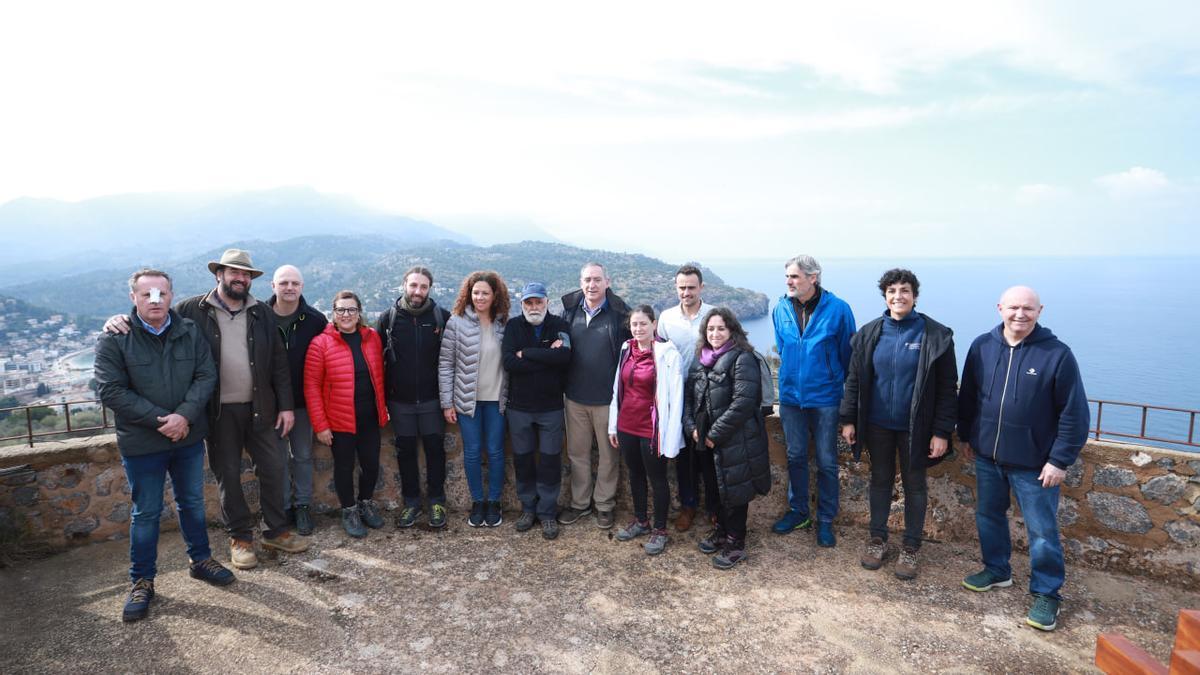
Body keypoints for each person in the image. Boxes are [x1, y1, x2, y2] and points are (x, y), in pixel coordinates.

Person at [104, 249, 309, 570]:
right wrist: (118, 319)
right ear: (219, 275)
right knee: (228, 475)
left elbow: (279, 364)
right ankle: (240, 538)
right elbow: (155, 317)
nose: (240, 278)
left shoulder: (262, 312)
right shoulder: (192, 310)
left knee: (274, 468)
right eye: (233, 273)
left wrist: (286, 406)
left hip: (262, 408)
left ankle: (276, 530)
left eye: (246, 275)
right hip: (216, 412)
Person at [95, 268, 232, 622]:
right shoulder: (114, 338)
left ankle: (200, 560)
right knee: (146, 512)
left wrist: (183, 417)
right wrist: (164, 420)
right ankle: (142, 581)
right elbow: (110, 391)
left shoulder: (189, 331)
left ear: (171, 296)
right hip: (143, 443)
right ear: (133, 298)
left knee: (192, 502)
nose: (154, 300)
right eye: (147, 294)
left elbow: (206, 375)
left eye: (161, 293)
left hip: (186, 436)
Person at [958, 286, 1089, 632]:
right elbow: (969, 396)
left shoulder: (1057, 355)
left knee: (1042, 531)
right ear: (1000, 307)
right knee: (988, 516)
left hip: (1034, 464)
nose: (1020, 314)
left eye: (1028, 308)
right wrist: (967, 436)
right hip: (988, 456)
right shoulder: (982, 346)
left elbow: (1074, 413)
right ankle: (997, 570)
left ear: (1040, 311)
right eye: (1014, 307)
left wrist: (1060, 460)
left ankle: (1047, 593)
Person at [839, 269, 957, 580]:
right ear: (885, 296)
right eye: (892, 290)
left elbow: (948, 388)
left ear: (915, 296)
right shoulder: (868, 334)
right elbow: (854, 380)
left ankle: (911, 546)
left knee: (915, 486)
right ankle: (877, 539)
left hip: (916, 428)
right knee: (880, 482)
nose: (898, 296)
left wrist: (942, 431)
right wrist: (848, 418)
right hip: (877, 425)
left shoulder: (936, 335)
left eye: (905, 290)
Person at [771, 254, 855, 547]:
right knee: (795, 456)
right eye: (787, 277)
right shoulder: (780, 308)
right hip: (792, 397)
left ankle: (826, 520)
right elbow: (783, 348)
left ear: (813, 277)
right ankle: (798, 511)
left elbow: (849, 358)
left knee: (827, 461)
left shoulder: (839, 310)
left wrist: (844, 400)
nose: (789, 282)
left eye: (794, 276)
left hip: (826, 398)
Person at [683, 307, 772, 569]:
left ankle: (736, 542)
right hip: (704, 439)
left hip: (734, 439)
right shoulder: (701, 358)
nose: (715, 333)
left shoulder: (742, 358)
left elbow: (743, 403)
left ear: (732, 330)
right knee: (714, 489)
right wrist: (692, 428)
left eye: (721, 328)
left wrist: (715, 434)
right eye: (710, 329)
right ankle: (721, 531)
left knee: (734, 491)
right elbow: (689, 398)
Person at [304, 291, 389, 538]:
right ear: (333, 313)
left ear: (359, 312)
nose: (346, 315)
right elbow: (311, 386)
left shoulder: (372, 338)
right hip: (339, 420)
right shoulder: (320, 344)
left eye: (351, 310)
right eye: (341, 310)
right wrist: (320, 425)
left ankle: (365, 502)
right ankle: (349, 510)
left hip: (370, 417)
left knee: (371, 464)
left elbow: (380, 375)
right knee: (343, 467)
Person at [376, 266, 452, 529]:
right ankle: (411, 503)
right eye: (413, 285)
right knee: (405, 453)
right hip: (400, 402)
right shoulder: (389, 319)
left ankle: (437, 501)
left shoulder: (442, 317)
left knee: (435, 452)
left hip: (432, 400)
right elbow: (378, 363)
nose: (418, 291)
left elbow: (451, 360)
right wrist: (382, 402)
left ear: (430, 288)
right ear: (404, 285)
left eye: (423, 286)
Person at [559, 262, 632, 529]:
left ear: (607, 282)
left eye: (597, 280)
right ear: (581, 282)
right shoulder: (569, 312)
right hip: (575, 397)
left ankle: (604, 505)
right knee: (577, 454)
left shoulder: (619, 315)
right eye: (588, 280)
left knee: (608, 456)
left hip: (607, 400)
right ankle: (579, 504)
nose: (592, 285)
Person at [607, 305, 684, 555]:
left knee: (657, 478)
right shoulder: (625, 349)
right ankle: (641, 521)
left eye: (643, 324)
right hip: (627, 424)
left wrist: (671, 436)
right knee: (635, 474)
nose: (638, 329)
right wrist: (613, 425)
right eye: (634, 324)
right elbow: (617, 390)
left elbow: (676, 397)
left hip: (652, 428)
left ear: (654, 324)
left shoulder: (667, 353)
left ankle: (660, 530)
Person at [502, 282, 572, 540]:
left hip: (550, 407)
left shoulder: (559, 325)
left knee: (551, 461)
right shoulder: (513, 327)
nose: (534, 307)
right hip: (519, 408)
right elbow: (509, 362)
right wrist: (545, 357)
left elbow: (564, 357)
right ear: (522, 305)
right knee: (523, 460)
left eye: (538, 302)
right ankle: (528, 509)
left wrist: (527, 354)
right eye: (528, 303)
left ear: (546, 302)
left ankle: (547, 513)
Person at [439, 270, 510, 527]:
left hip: (497, 400)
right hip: (467, 400)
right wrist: (447, 402)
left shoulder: (504, 322)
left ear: (495, 296)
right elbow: (446, 364)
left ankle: (494, 502)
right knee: (471, 452)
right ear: (468, 294)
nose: (480, 297)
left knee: (495, 451)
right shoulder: (456, 322)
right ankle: (477, 502)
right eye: (475, 292)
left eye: (485, 293)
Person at [267, 264, 328, 536]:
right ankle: (282, 508)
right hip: (271, 405)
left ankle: (302, 506)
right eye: (283, 283)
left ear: (302, 287)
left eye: (294, 283)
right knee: (277, 459)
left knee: (302, 456)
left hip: (303, 404)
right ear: (273, 287)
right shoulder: (260, 317)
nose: (289, 288)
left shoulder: (315, 320)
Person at [655, 264, 716, 532]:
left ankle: (715, 508)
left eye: (691, 287)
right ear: (676, 288)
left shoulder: (713, 315)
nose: (686, 292)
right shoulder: (666, 318)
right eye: (682, 287)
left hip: (709, 394)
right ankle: (688, 506)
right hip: (677, 394)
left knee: (710, 452)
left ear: (701, 287)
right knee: (683, 454)